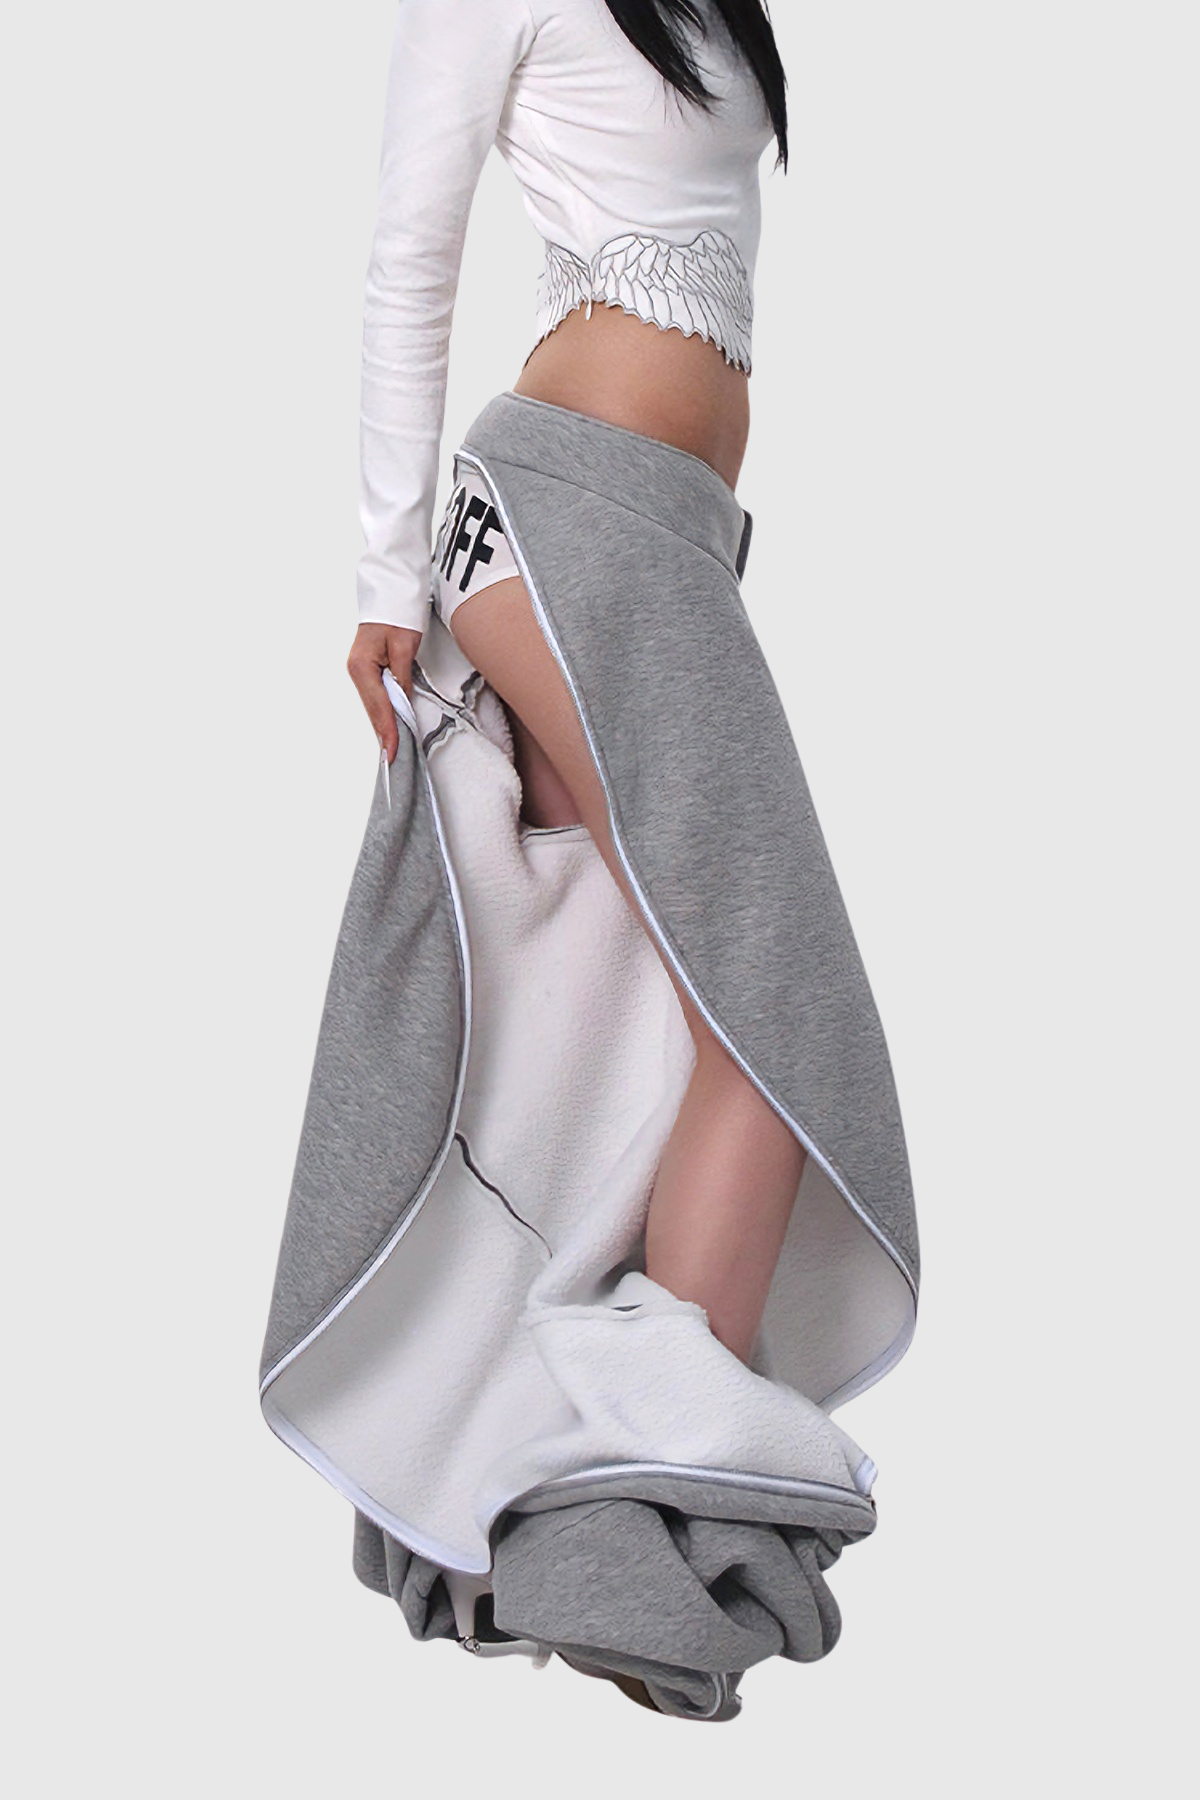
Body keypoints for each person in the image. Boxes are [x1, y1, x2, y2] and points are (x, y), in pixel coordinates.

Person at [345, 0, 796, 1367]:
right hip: (569, 510)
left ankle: (573, 1437)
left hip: (669, 535)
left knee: (629, 1030)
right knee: (772, 1019)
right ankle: (675, 1459)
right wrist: (385, 582)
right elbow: (409, 266)